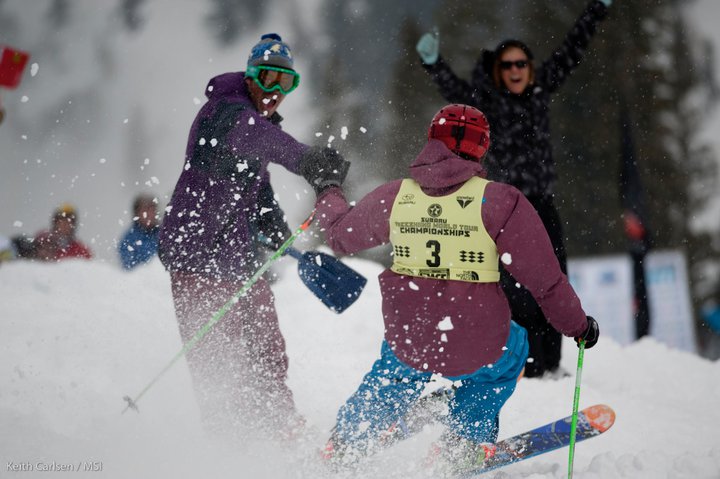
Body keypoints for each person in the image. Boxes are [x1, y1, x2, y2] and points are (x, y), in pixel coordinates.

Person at [313, 104, 598, 474]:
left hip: (410, 334)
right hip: (479, 337)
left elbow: (339, 236)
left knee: (395, 372)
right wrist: (577, 326)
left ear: (432, 140)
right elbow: (546, 281)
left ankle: (349, 439)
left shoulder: (397, 195)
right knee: (509, 357)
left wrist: (327, 187)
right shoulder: (500, 201)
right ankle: (463, 442)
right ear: (483, 148)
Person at [158, 33, 349, 441]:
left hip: (235, 254)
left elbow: (257, 185)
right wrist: (310, 159)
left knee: (265, 344)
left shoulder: (255, 123)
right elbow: (261, 140)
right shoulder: (224, 113)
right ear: (249, 76)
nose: (275, 91)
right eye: (268, 78)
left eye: (287, 83)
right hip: (195, 251)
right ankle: (229, 442)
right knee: (217, 356)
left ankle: (280, 424)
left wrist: (273, 222)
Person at [415, 0, 612, 378]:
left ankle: (551, 363)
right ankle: (525, 361)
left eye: (522, 63)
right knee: (515, 285)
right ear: (497, 70)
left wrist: (595, 11)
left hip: (542, 203)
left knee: (552, 278)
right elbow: (451, 90)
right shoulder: (485, 100)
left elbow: (572, 49)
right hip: (505, 207)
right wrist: (432, 61)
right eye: (508, 65)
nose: (516, 70)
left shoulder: (540, 89)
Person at [118, 194, 160, 270]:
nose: (150, 214)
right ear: (137, 213)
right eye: (146, 210)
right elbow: (130, 267)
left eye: (152, 209)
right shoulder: (129, 239)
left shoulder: (163, 233)